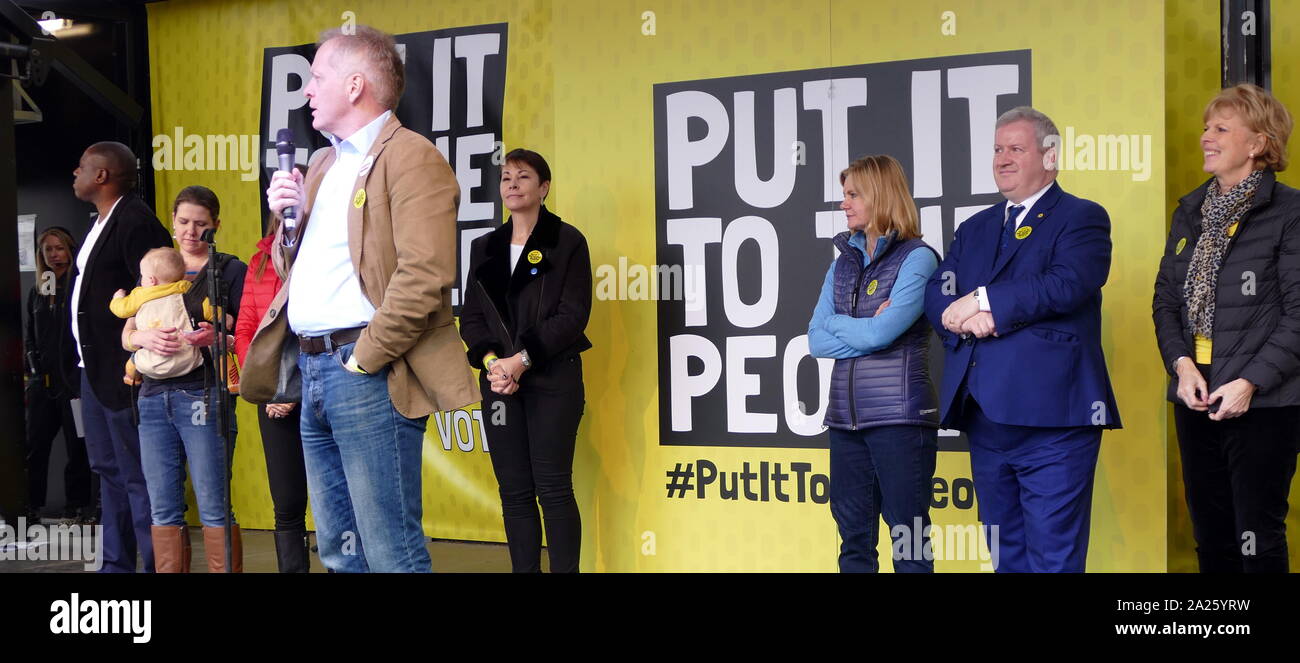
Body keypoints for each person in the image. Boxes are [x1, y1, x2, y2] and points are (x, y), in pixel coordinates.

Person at [243, 25, 479, 573]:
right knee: (339, 553)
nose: (306, 90)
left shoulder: (412, 156)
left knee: (390, 552)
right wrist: (288, 226)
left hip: (365, 373)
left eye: (317, 78)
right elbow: (294, 269)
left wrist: (363, 359)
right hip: (313, 366)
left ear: (354, 86)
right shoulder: (324, 164)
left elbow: (426, 275)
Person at [923, 107, 1121, 573]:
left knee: (1054, 559)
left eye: (1016, 148)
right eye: (997, 149)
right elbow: (939, 290)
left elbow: (1068, 283)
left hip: (1054, 424)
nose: (1002, 159)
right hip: (987, 420)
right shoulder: (975, 228)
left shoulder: (1082, 218)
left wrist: (986, 302)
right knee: (1006, 555)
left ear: (1050, 156)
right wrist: (962, 317)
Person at [1153, 84, 1300, 573]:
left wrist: (1250, 382)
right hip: (1195, 392)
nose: (1205, 138)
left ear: (1257, 144)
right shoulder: (1189, 211)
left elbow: (1299, 314)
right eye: (1205, 127)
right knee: (1210, 535)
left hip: (1265, 401)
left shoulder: (1290, 212)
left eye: (1220, 129)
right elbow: (1166, 300)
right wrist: (1181, 366)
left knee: (1257, 536)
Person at [459, 149, 592, 573]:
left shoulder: (567, 241)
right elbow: (473, 316)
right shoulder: (484, 248)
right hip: (498, 383)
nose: (512, 184)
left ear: (544, 188)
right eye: (506, 178)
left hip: (553, 379)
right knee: (514, 491)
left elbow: (572, 316)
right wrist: (496, 363)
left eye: (523, 176)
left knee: (553, 488)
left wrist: (523, 359)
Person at [805, 155, 940, 573]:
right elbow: (815, 339)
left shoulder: (918, 258)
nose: (843, 204)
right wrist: (863, 325)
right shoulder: (841, 263)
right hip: (845, 424)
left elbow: (883, 334)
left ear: (880, 195)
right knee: (854, 543)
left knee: (909, 541)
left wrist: (843, 325)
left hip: (901, 421)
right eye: (843, 194)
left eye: (852, 195)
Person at [123, 187, 246, 573]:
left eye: (201, 223)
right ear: (173, 223)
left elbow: (247, 332)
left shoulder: (228, 269)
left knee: (213, 503)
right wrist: (141, 338)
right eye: (183, 221)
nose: (191, 230)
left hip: (204, 394)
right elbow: (128, 331)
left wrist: (217, 336)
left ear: (216, 226)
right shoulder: (154, 266)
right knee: (162, 506)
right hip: (153, 396)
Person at [71, 141, 172, 573]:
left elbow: (160, 289)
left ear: (102, 176)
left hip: (123, 371)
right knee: (107, 470)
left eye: (80, 167)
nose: (72, 174)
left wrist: (136, 346)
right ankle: (115, 566)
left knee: (136, 475)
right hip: (90, 370)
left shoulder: (135, 221)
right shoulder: (99, 222)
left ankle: (153, 565)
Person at [234, 212, 311, 573]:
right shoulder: (260, 261)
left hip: (320, 385)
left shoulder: (326, 252)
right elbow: (247, 325)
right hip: (273, 397)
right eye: (284, 212)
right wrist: (271, 389)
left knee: (338, 496)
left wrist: (294, 389)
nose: (290, 219)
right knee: (288, 501)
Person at [24, 227, 94, 524]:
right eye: (48, 250)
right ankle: (30, 507)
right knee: (35, 447)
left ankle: (76, 506)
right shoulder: (40, 290)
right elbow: (30, 335)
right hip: (43, 384)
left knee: (76, 446)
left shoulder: (79, 286)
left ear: (70, 250)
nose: (54, 255)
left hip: (73, 383)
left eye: (59, 248)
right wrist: (33, 370)